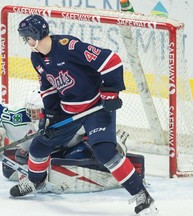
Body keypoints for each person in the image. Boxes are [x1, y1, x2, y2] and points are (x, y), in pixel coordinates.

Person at [14, 14, 158, 215]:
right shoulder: (36, 57)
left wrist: (111, 92)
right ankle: (35, 182)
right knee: (39, 145)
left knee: (105, 151)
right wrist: (51, 115)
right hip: (69, 109)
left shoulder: (69, 47)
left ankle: (142, 195)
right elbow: (47, 86)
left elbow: (112, 61)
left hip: (95, 108)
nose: (26, 41)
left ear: (36, 34)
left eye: (27, 37)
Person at [0, 90, 144, 193]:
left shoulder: (68, 119)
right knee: (26, 155)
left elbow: (95, 128)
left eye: (38, 113)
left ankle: (117, 145)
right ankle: (36, 177)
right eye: (31, 113)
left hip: (70, 150)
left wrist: (105, 142)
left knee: (86, 152)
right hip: (40, 155)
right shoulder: (17, 117)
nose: (34, 117)